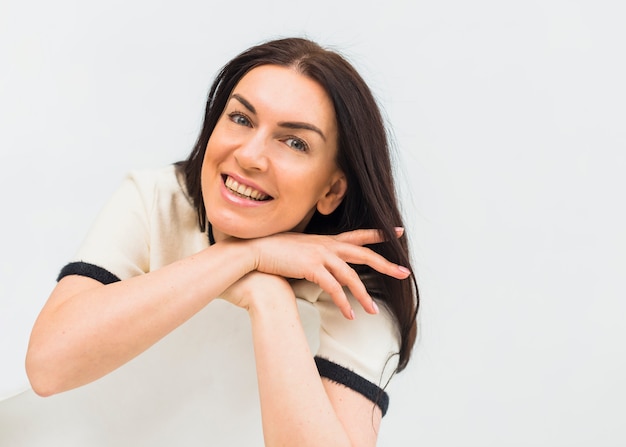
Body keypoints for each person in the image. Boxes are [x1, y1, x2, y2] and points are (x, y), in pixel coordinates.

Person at [25, 37, 418, 446]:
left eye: (294, 142)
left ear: (332, 191)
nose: (250, 155)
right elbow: (48, 367)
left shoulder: (355, 286)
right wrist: (247, 256)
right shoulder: (157, 200)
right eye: (242, 119)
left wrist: (267, 295)